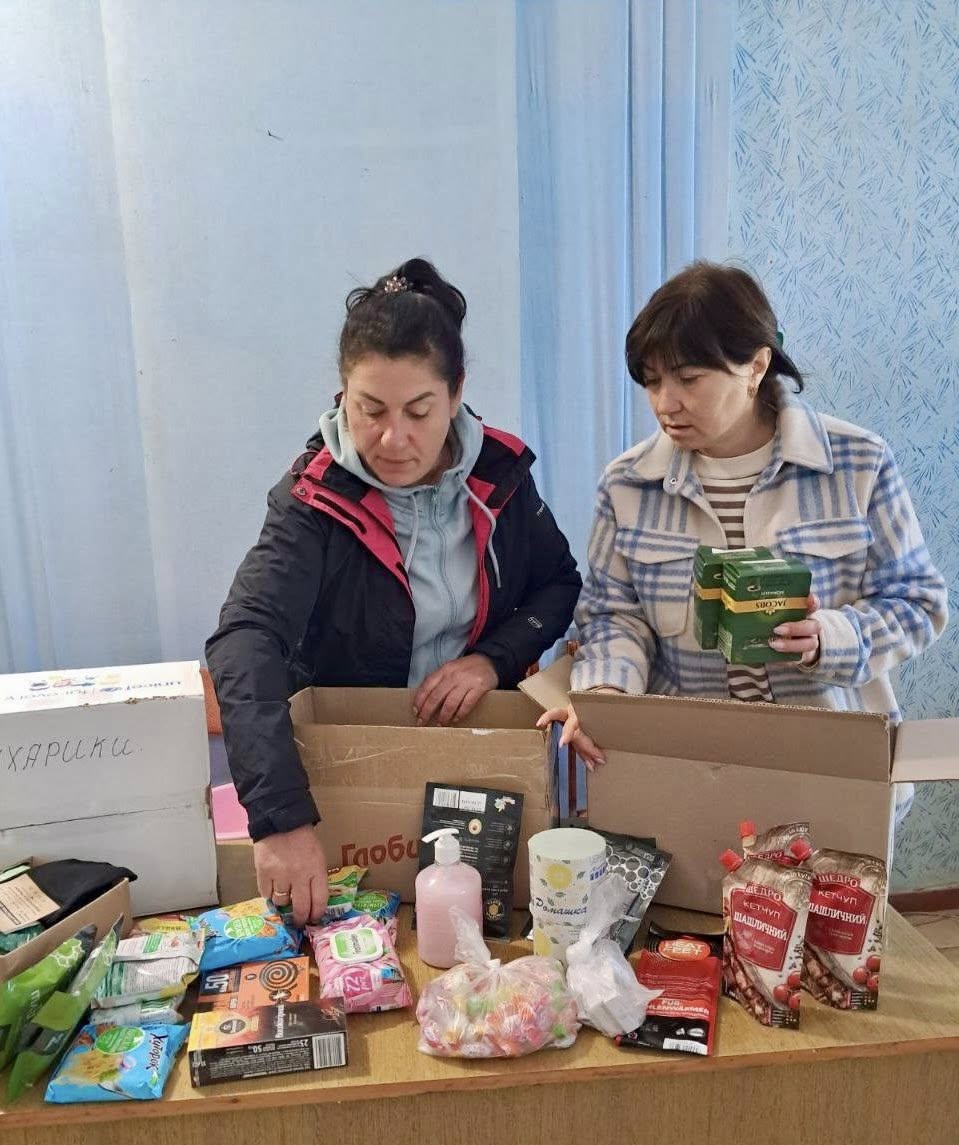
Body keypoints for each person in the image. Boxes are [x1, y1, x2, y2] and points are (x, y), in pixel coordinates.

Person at [207, 258, 581, 925]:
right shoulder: (313, 499)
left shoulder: (500, 473)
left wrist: (491, 659)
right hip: (351, 768)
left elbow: (556, 583)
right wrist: (279, 816)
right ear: (342, 395)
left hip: (474, 758)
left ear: (456, 393)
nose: (392, 438)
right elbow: (245, 636)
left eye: (418, 411)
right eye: (369, 410)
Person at [540, 262, 948, 811]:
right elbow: (613, 617)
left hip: (834, 766)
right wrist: (607, 696)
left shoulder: (857, 463)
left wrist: (830, 637)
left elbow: (918, 602)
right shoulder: (629, 483)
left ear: (756, 366)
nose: (665, 403)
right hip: (688, 768)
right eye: (652, 381)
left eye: (688, 379)